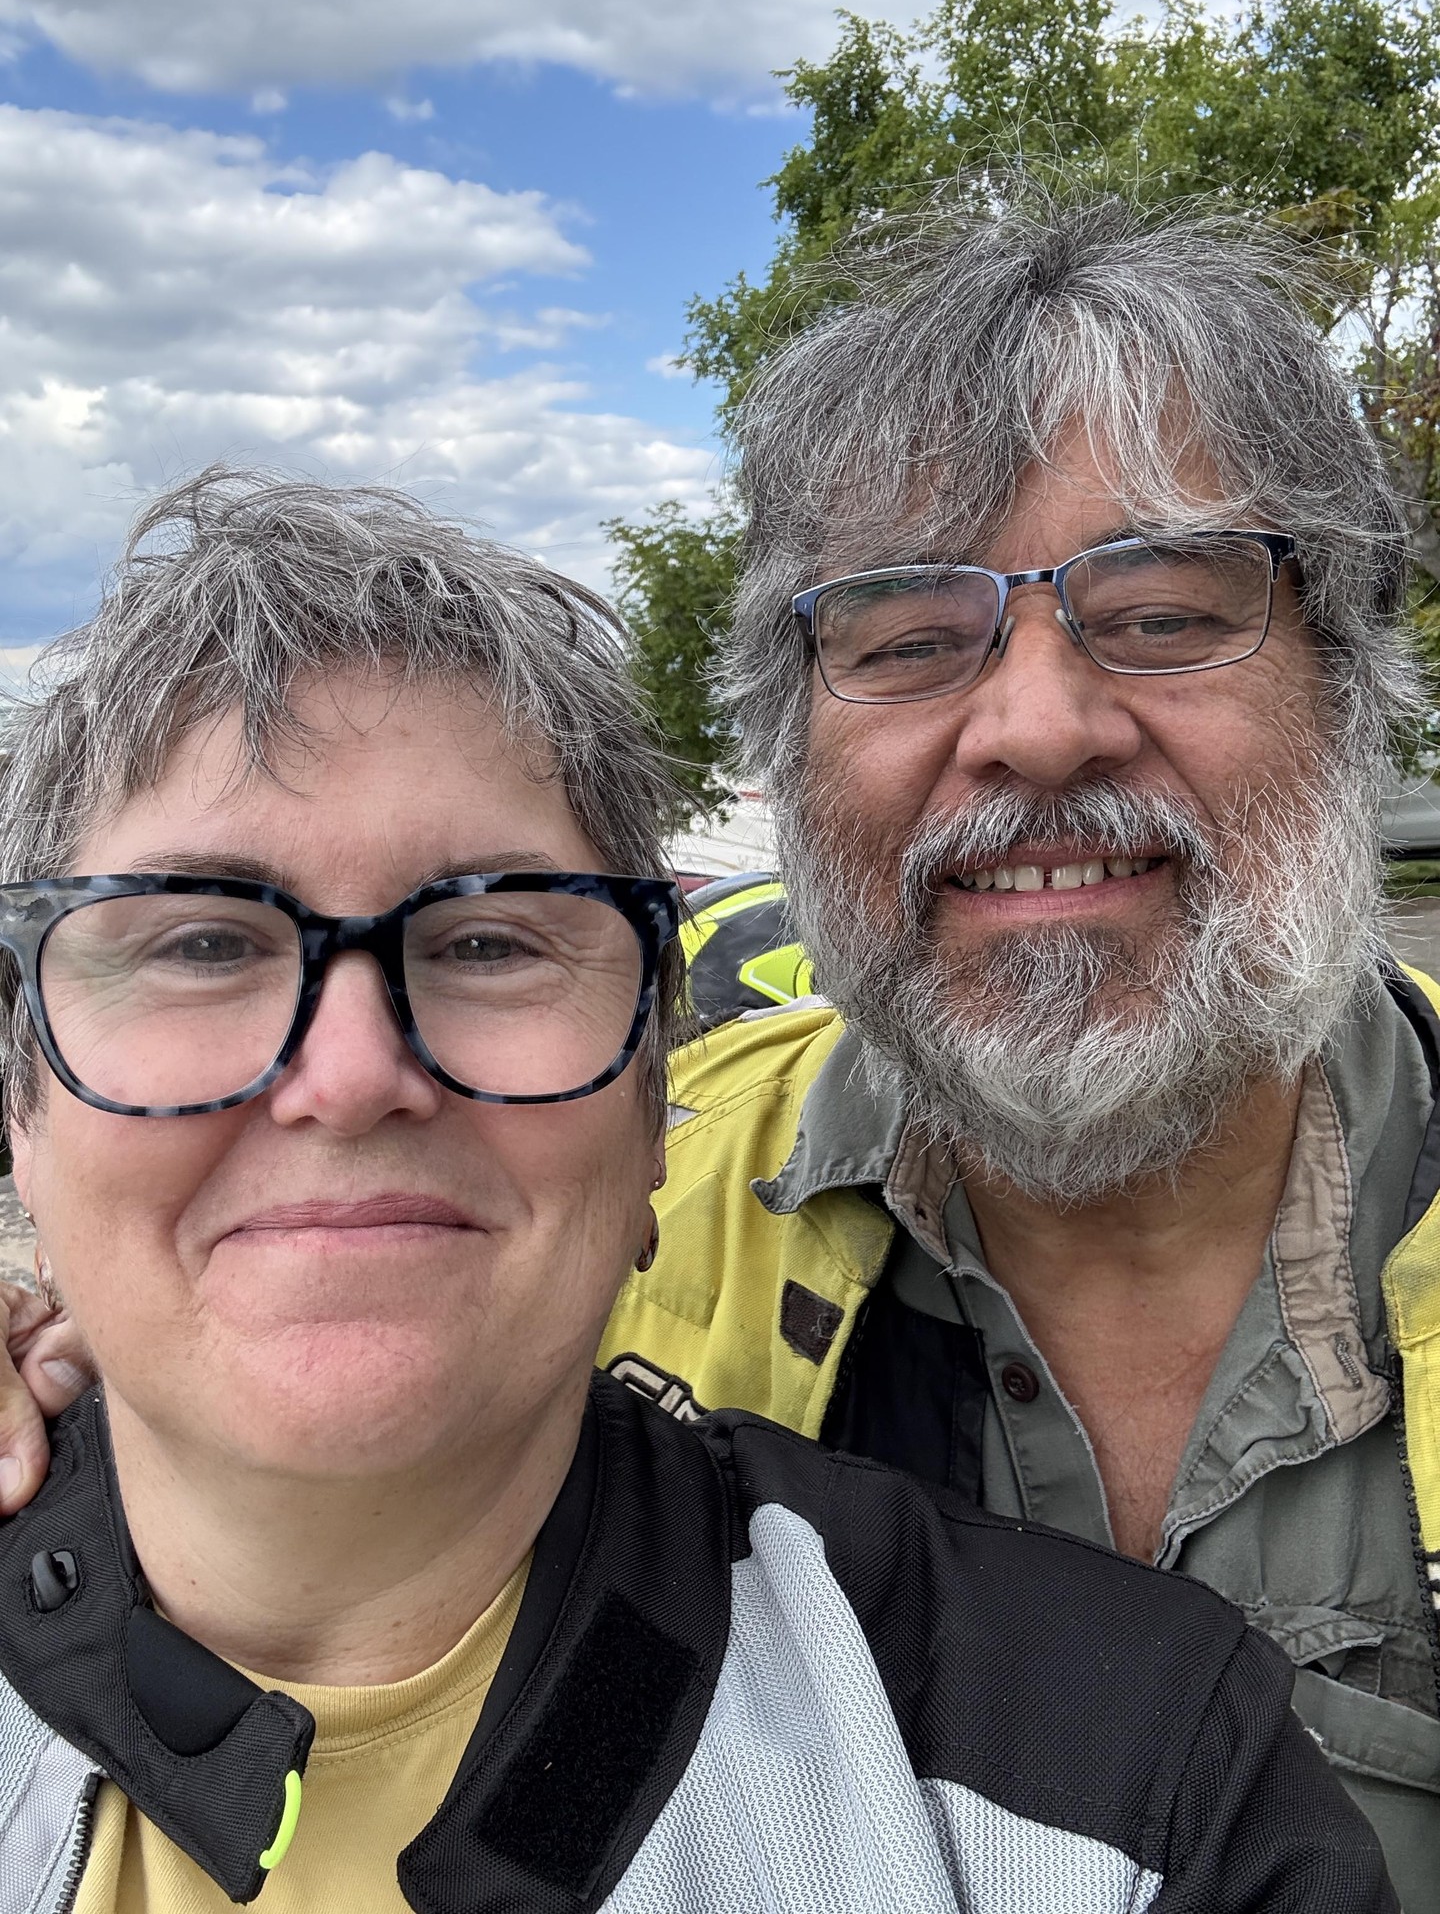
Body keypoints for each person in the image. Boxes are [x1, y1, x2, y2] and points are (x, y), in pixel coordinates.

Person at [0, 469, 1395, 1913]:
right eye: (199, 944)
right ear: (20, 1102)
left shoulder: (1145, 1779)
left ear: (657, 1110)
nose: (349, 1077)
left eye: (489, 944)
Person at [588, 193, 1440, 1904]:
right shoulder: (580, 1220)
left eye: (1170, 613)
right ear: (787, 756)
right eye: (909, 641)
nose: (1041, 726)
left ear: (1351, 692)